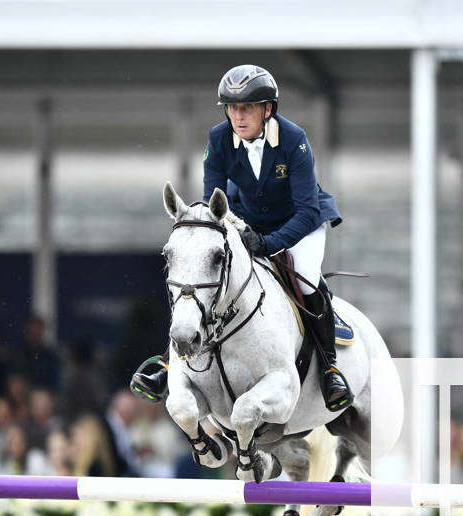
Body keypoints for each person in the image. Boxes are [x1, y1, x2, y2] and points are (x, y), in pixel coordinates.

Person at [131, 64, 353, 412]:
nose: (238, 115)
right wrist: (238, 233)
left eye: (247, 107)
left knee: (307, 279)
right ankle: (169, 362)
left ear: (267, 110)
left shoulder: (294, 140)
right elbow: (211, 204)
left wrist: (267, 244)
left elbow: (307, 210)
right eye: (232, 108)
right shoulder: (219, 139)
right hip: (246, 220)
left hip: (302, 223)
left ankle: (329, 368)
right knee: (207, 279)